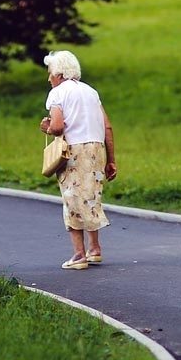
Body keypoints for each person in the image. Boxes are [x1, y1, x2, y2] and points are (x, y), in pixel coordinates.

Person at [39, 51, 118, 271]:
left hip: (74, 151)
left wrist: (46, 127)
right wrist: (111, 160)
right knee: (91, 196)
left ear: (59, 73)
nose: (49, 79)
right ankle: (95, 249)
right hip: (96, 148)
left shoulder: (57, 94)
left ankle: (78, 255)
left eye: (50, 74)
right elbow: (108, 127)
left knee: (72, 199)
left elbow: (57, 127)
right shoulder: (91, 92)